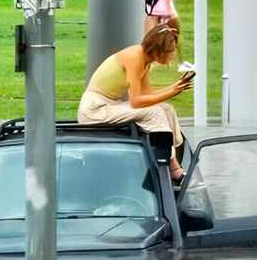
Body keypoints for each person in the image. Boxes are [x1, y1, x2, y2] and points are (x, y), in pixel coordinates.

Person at [78, 22, 192, 180]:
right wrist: (172, 91)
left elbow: (147, 95)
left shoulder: (145, 60)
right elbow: (137, 102)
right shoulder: (135, 57)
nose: (173, 55)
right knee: (154, 113)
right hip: (95, 109)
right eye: (170, 51)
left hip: (110, 105)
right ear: (159, 51)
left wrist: (175, 87)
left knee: (166, 109)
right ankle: (172, 168)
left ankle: (178, 157)